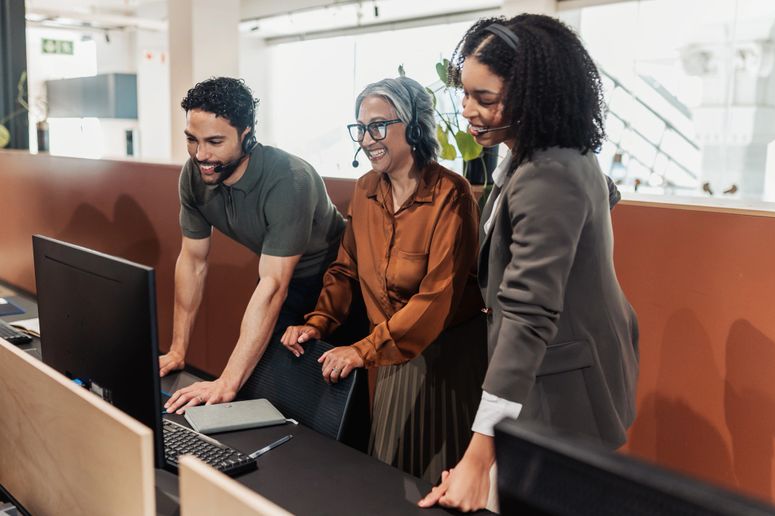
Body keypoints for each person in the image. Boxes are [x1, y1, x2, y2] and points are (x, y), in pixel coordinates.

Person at [420, 14, 639, 511]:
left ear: (533, 96)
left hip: (563, 384)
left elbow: (528, 316)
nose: (468, 110)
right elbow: (606, 195)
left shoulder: (548, 173)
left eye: (486, 99)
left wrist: (478, 457)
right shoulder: (554, 151)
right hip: (575, 362)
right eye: (465, 92)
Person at [281, 77, 487, 483]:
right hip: (390, 352)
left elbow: (437, 296)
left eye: (377, 125)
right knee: (389, 471)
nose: (366, 139)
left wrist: (363, 348)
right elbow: (346, 268)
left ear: (412, 126)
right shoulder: (366, 189)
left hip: (447, 357)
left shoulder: (452, 194)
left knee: (436, 477)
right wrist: (318, 322)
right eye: (360, 128)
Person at [161, 77, 345, 414]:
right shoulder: (195, 175)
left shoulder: (289, 179)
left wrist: (227, 381)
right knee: (261, 399)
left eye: (215, 141)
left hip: (339, 287)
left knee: (323, 408)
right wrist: (177, 350)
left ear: (247, 136)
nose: (201, 154)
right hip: (279, 277)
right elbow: (192, 261)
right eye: (192, 140)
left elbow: (274, 286)